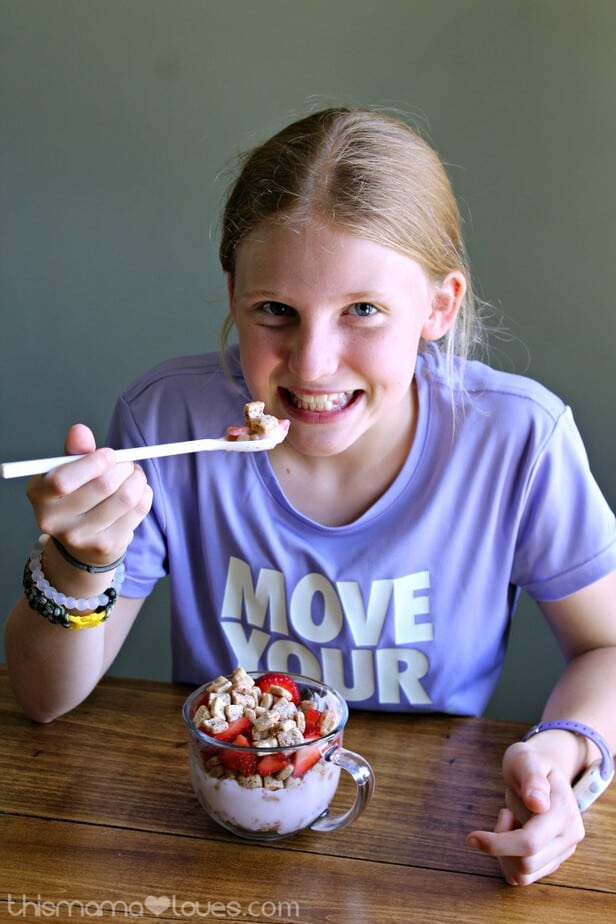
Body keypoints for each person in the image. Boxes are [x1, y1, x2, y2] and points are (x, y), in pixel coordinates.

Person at [5, 107, 616, 886]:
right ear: (233, 295)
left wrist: (564, 749)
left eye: (362, 310)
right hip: (217, 835)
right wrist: (77, 560)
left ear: (439, 306)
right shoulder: (168, 421)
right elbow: (44, 700)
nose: (314, 362)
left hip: (429, 847)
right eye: (275, 312)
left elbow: (610, 645)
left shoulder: (517, 441)